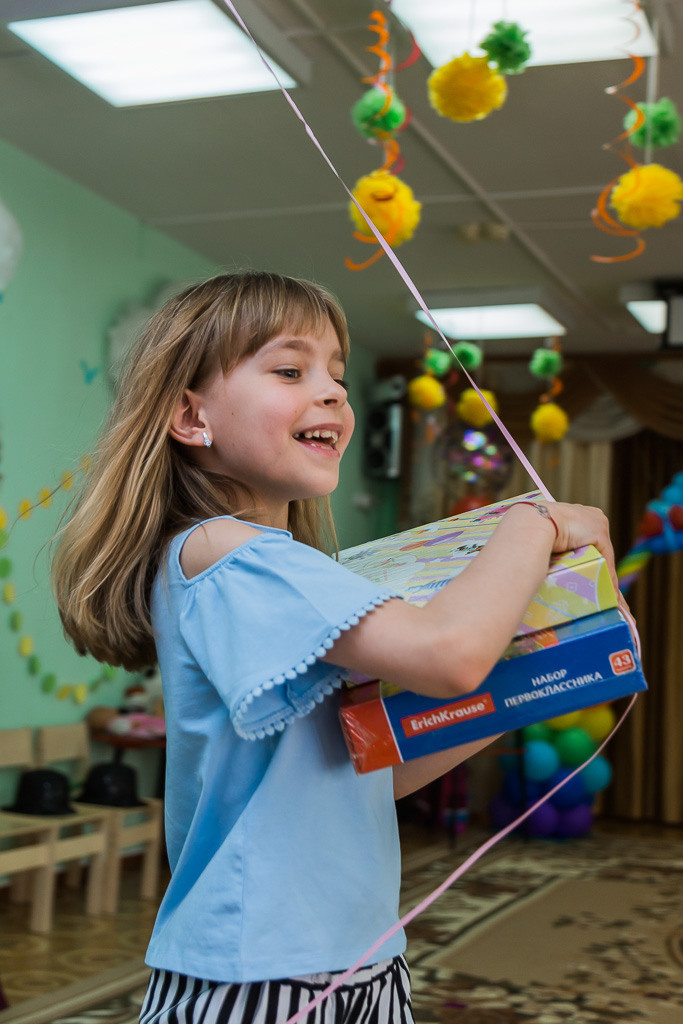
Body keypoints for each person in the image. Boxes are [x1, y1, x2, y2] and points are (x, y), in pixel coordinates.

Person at [52, 272, 622, 1024]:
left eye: (336, 376)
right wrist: (529, 524)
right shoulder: (230, 553)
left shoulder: (281, 567)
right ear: (190, 417)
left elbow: (365, 772)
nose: (331, 394)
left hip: (356, 955)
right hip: (259, 973)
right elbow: (450, 651)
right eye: (290, 370)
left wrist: (538, 682)